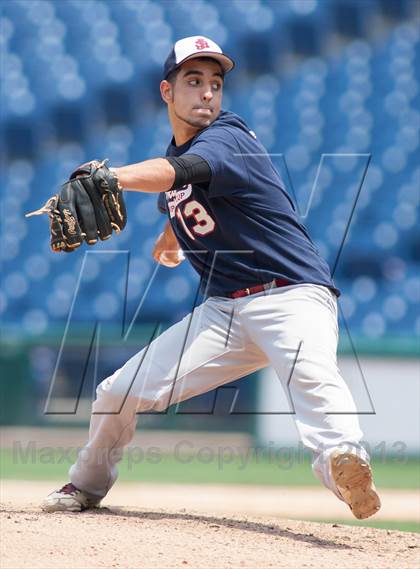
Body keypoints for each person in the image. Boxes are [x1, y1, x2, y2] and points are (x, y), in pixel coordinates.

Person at [42, 36, 380, 519]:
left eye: (215, 84)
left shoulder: (229, 136)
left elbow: (180, 171)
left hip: (292, 295)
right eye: (194, 81)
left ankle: (347, 462)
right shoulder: (178, 155)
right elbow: (178, 192)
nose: (207, 93)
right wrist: (169, 240)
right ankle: (86, 485)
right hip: (225, 312)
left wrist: (111, 177)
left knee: (314, 378)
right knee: (117, 393)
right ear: (167, 91)